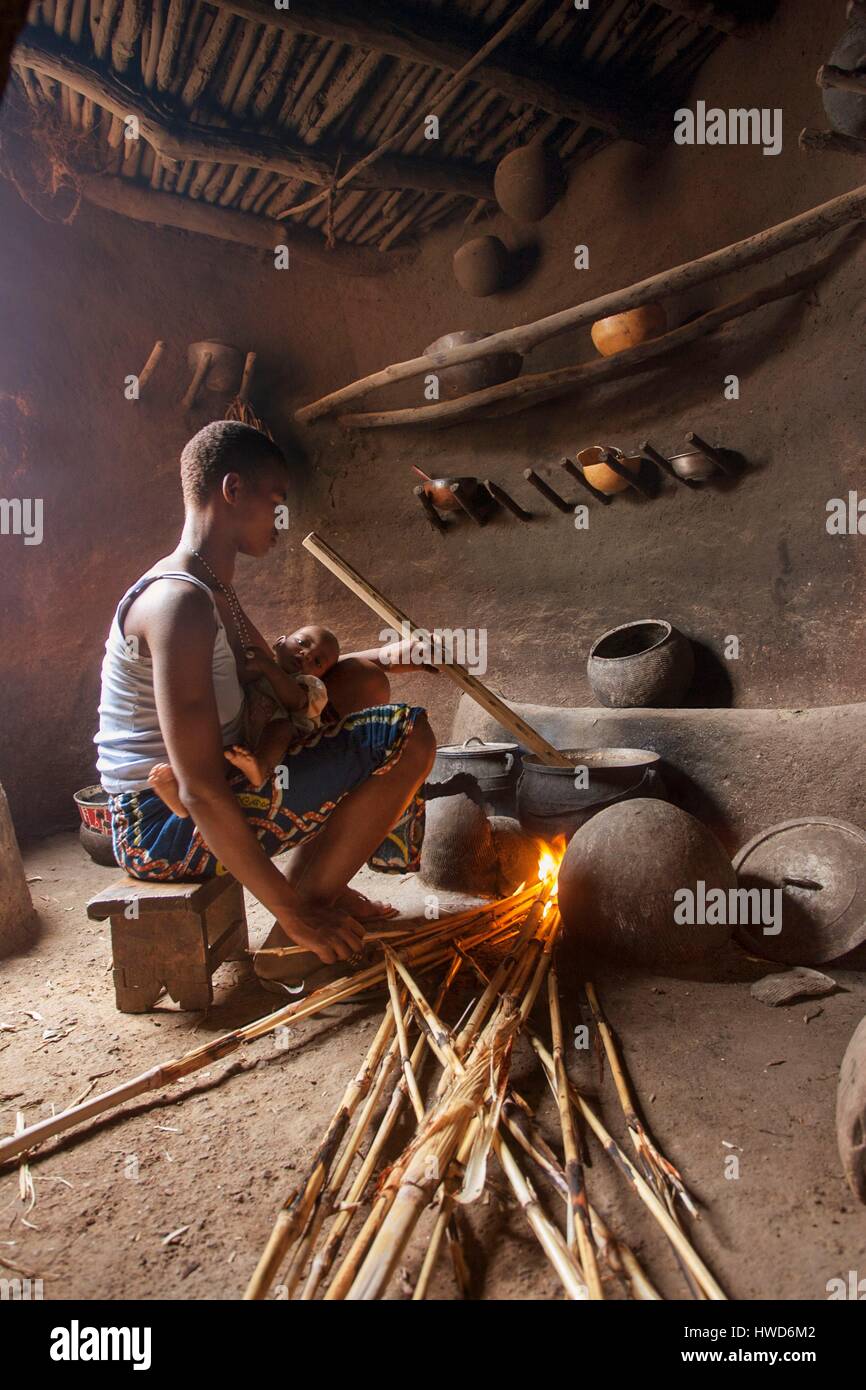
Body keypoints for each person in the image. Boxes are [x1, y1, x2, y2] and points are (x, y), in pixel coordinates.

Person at [94, 420, 436, 988]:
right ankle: (295, 938)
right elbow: (199, 788)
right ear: (232, 490)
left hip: (209, 786)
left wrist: (393, 655)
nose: (282, 520)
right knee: (406, 733)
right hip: (160, 824)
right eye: (275, 502)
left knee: (361, 685)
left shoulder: (214, 588)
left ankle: (318, 881)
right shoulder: (179, 604)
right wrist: (290, 911)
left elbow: (294, 684)